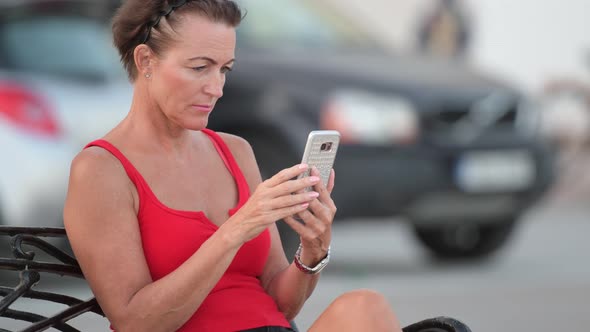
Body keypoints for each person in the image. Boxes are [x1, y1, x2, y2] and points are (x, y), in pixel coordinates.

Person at [63, 1, 402, 331]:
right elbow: (135, 323)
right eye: (199, 68)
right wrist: (234, 231)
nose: (217, 88)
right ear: (146, 60)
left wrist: (312, 252)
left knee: (364, 306)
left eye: (224, 69)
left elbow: (280, 305)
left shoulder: (235, 150)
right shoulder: (101, 170)